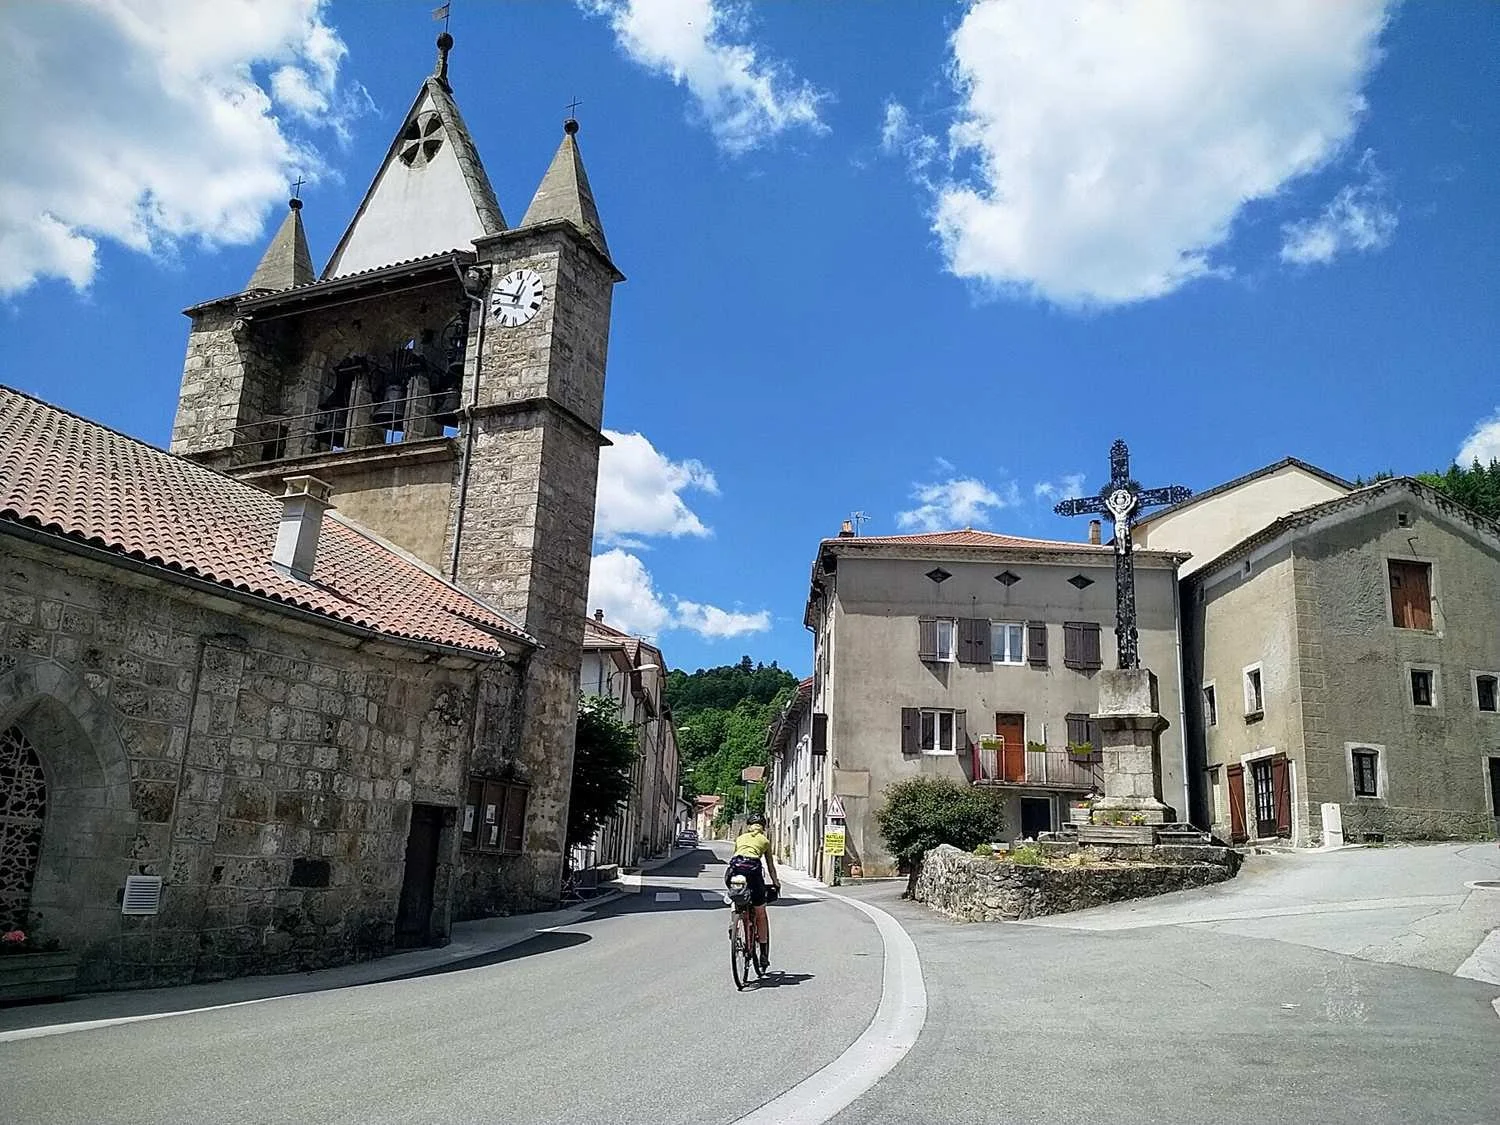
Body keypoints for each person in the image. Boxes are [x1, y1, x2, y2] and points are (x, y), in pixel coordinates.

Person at [725, 813, 780, 969]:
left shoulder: (740, 838)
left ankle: (733, 923)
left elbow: (735, 857)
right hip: (754, 873)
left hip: (735, 871)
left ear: (749, 826)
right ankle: (763, 953)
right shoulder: (765, 841)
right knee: (761, 913)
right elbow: (770, 867)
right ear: (763, 827)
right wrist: (776, 883)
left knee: (734, 895)